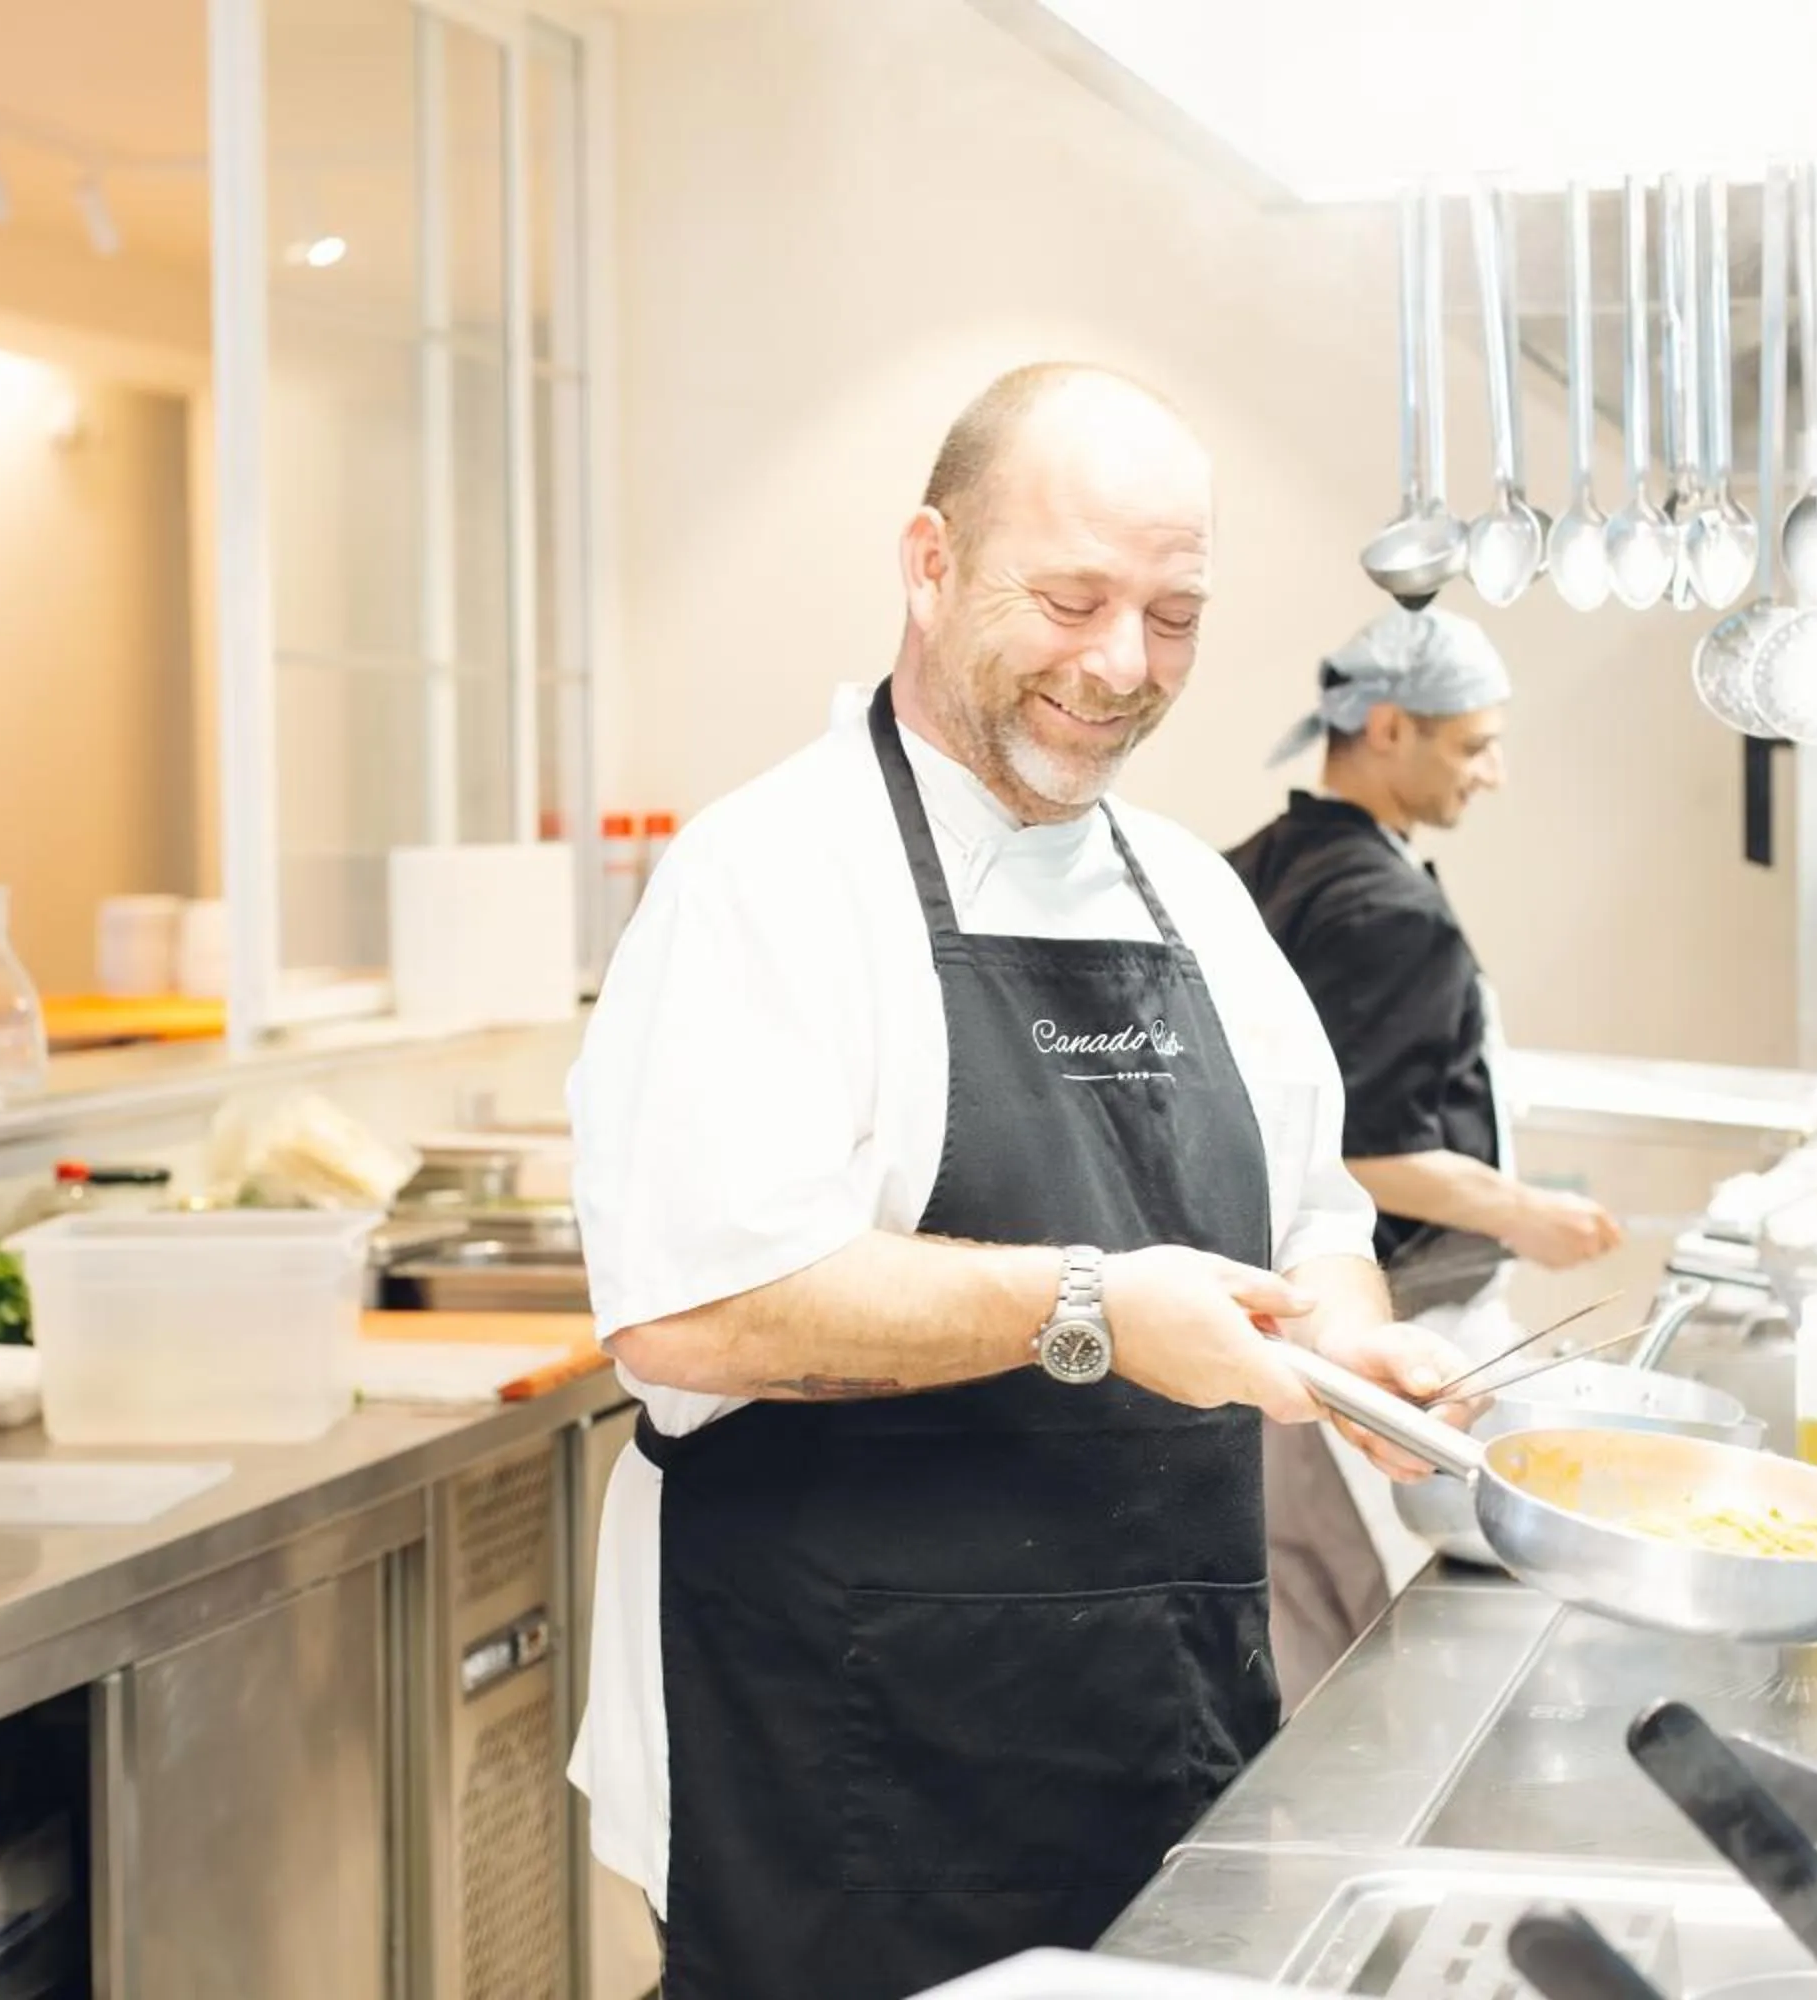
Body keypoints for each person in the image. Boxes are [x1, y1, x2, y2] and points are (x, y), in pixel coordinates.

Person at [565, 363, 1470, 2000]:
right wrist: (1090, 1311)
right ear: (929, 565)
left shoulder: (1193, 894)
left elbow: (1317, 1215)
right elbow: (691, 1313)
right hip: (835, 1772)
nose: (1121, 667)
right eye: (1069, 600)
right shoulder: (768, 882)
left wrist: (1350, 1341)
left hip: (1159, 1747)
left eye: (1173, 615)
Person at [1227, 606, 1624, 1665]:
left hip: (1274, 1321)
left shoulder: (1261, 866)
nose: (1492, 774)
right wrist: (1528, 1215)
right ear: (1391, 728)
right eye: (1476, 744)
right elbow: (1363, 1150)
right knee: (1382, 1645)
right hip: (1381, 1332)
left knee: (1298, 1617)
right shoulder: (1384, 907)